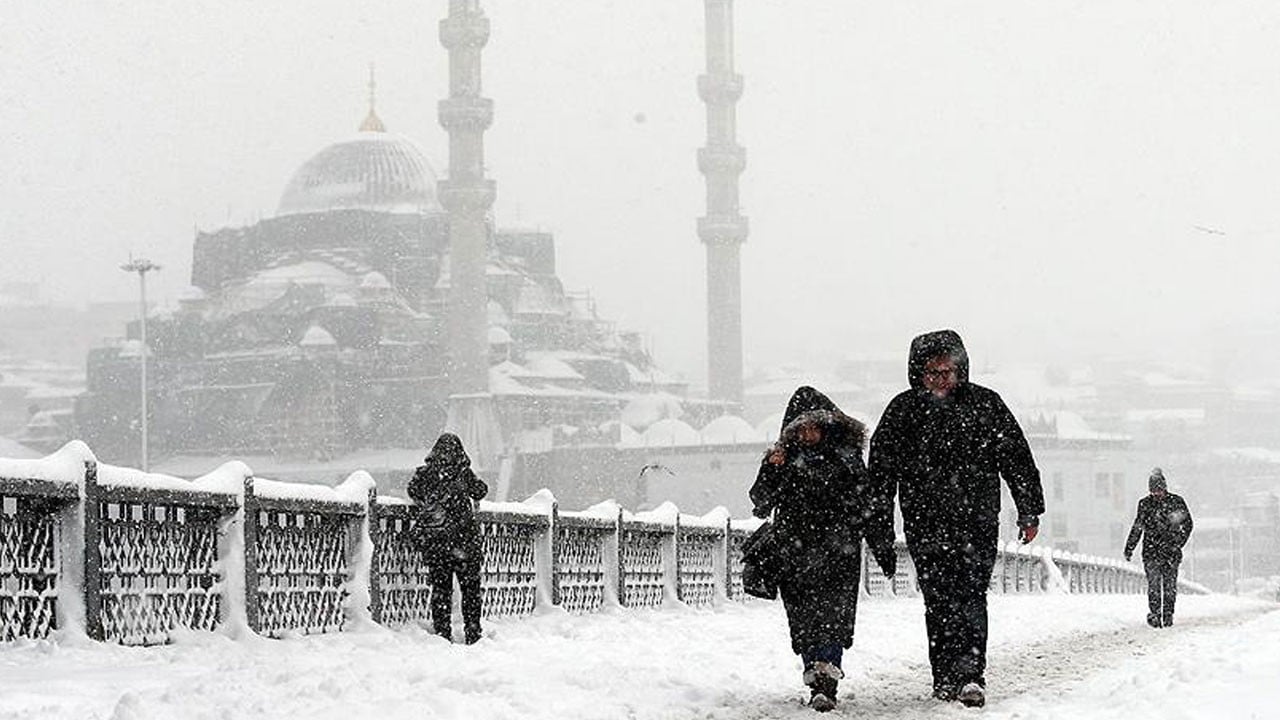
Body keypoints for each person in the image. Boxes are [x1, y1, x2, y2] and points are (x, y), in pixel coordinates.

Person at [868, 330, 1045, 708]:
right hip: (925, 523)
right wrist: (879, 528)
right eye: (932, 372)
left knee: (970, 595)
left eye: (947, 371)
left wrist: (1029, 508)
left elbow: (1016, 458)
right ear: (918, 373)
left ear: (960, 370)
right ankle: (945, 675)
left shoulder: (985, 404)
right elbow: (880, 476)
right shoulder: (903, 412)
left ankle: (970, 674)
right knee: (938, 599)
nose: (941, 379)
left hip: (976, 521)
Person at [750, 386, 897, 712]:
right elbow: (760, 504)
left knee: (833, 617)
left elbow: (868, 507)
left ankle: (825, 680)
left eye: (813, 426)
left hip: (838, 553)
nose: (807, 434)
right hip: (795, 553)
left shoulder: (847, 460)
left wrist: (882, 547)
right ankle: (815, 672)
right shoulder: (784, 460)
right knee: (804, 619)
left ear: (828, 425)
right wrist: (771, 468)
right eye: (800, 428)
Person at [408, 432, 489, 644]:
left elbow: (412, 491)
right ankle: (473, 632)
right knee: (470, 591)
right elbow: (480, 491)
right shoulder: (463, 473)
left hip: (437, 543)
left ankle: (442, 633)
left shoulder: (426, 473)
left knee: (441, 591)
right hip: (464, 542)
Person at [1123, 468, 1193, 628]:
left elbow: (1188, 524)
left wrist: (1178, 543)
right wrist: (1130, 547)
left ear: (1164, 488)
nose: (1157, 494)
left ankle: (1168, 614)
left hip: (1170, 552)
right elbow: (1138, 527)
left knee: (1169, 585)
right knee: (1154, 585)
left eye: (1159, 490)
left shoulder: (1176, 502)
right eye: (1154, 491)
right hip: (1152, 552)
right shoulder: (1145, 504)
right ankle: (1155, 613)